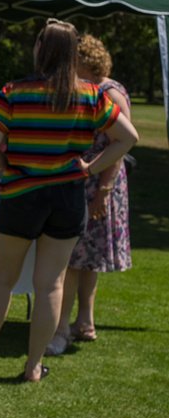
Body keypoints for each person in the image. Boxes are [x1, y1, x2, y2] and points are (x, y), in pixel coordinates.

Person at [0, 19, 138, 382]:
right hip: (68, 199)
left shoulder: (14, 92)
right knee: (50, 284)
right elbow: (127, 137)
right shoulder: (91, 95)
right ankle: (33, 367)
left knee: (2, 280)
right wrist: (89, 167)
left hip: (22, 196)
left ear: (40, 49)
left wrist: (13, 167)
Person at [46, 35, 133, 355]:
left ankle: (61, 330)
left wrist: (103, 193)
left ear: (84, 63)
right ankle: (84, 323)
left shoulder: (108, 93)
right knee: (86, 260)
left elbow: (120, 146)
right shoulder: (99, 89)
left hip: (97, 184)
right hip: (91, 181)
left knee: (73, 260)